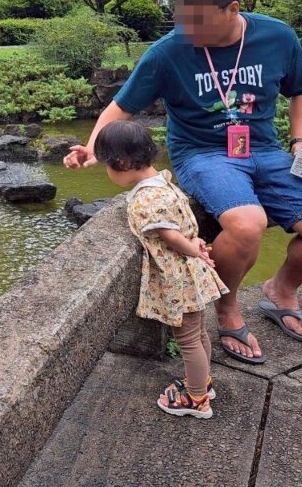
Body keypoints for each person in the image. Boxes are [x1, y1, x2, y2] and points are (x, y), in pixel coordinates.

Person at [65, 0, 302, 364]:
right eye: (181, 21)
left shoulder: (276, 36)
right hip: (202, 153)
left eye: (197, 23)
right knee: (247, 224)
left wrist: (301, 141)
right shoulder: (168, 52)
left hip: (267, 150)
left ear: (232, 10)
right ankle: (228, 307)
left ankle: (280, 290)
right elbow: (119, 109)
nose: (187, 32)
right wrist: (93, 148)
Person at [96, 120, 227, 419]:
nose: (107, 171)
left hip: (180, 277)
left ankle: (196, 400)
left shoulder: (147, 197)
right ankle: (202, 384)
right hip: (193, 274)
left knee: (188, 339)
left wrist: (191, 247)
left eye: (107, 165)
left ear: (123, 162)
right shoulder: (165, 183)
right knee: (198, 332)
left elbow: (168, 233)